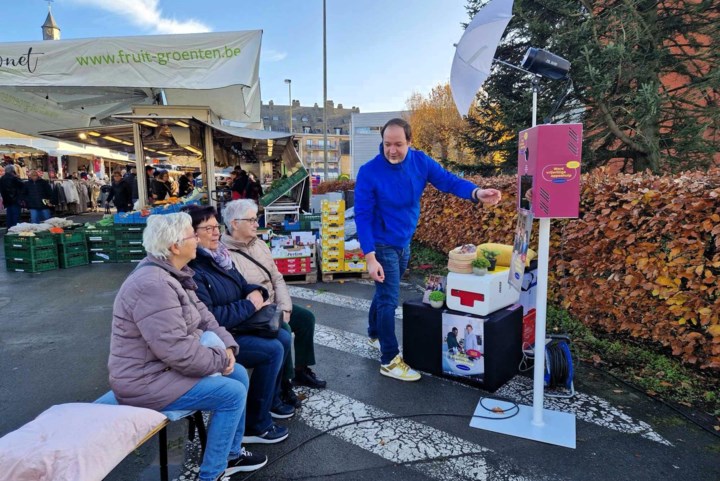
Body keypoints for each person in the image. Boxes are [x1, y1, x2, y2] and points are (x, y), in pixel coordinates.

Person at [108, 213, 267, 481]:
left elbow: (205, 316)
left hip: (161, 370)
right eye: (192, 235)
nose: (198, 239)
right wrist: (218, 359)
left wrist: (227, 346)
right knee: (232, 393)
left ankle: (231, 453)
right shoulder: (154, 284)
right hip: (144, 381)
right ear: (174, 246)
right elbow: (177, 350)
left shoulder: (174, 272)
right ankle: (212, 474)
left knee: (237, 373)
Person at [355, 118, 502, 382]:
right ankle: (389, 359)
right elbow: (363, 216)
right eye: (387, 144)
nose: (392, 150)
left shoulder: (420, 162)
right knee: (389, 298)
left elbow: (448, 181)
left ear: (410, 142)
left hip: (403, 241)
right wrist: (370, 257)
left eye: (398, 144)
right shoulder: (369, 172)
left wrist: (476, 192)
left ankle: (374, 333)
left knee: (384, 290)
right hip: (381, 243)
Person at [184, 204, 294, 445]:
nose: (215, 232)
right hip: (218, 337)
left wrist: (257, 291)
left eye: (216, 226)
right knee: (272, 350)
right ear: (190, 234)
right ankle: (256, 424)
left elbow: (243, 284)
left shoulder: (219, 257)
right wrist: (250, 305)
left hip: (237, 326)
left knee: (283, 337)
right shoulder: (194, 269)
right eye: (208, 228)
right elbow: (211, 317)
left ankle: (270, 402)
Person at [222, 199, 326, 397]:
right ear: (235, 223)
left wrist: (285, 307)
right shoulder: (225, 255)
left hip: (275, 304)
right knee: (282, 328)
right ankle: (283, 384)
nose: (256, 223)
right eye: (251, 220)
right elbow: (238, 292)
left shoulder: (260, 244)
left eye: (256, 218)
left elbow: (277, 277)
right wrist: (272, 309)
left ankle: (301, 370)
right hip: (254, 311)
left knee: (305, 318)